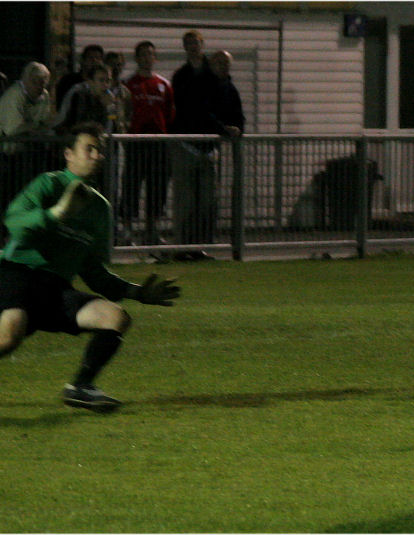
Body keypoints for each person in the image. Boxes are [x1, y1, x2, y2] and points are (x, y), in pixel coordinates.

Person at [0, 121, 180, 412]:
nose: (97, 156)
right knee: (9, 336)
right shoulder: (49, 184)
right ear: (68, 153)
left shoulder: (100, 208)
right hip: (16, 274)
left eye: (101, 151)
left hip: (55, 289)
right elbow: (15, 222)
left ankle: (81, 387)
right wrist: (57, 213)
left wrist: (138, 293)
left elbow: (93, 271)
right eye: (90, 148)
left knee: (115, 317)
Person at [171, 45, 244, 260]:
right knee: (186, 201)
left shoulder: (229, 88)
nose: (223, 67)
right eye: (219, 63)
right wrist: (224, 129)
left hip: (209, 150)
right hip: (187, 146)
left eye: (226, 64)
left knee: (207, 202)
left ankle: (199, 246)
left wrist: (238, 129)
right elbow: (200, 113)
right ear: (210, 64)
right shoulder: (199, 84)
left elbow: (237, 115)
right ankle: (181, 248)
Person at [121, 40, 175, 246]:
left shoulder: (164, 85)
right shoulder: (129, 85)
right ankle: (127, 230)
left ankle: (152, 231)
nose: (147, 58)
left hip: (159, 144)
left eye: (150, 54)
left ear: (155, 57)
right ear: (136, 58)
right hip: (136, 143)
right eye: (142, 54)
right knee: (131, 186)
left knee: (157, 187)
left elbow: (170, 115)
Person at [0, 62, 54, 210]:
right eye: (35, 82)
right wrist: (35, 128)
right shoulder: (14, 96)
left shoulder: (44, 96)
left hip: (29, 155)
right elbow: (12, 129)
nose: (39, 87)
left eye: (42, 83)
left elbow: (45, 122)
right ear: (25, 81)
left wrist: (33, 129)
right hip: (8, 155)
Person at [53, 64, 114, 134]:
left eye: (108, 81)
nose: (106, 85)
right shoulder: (78, 94)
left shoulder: (108, 98)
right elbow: (69, 125)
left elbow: (109, 129)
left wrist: (109, 109)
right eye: (101, 80)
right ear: (90, 81)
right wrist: (88, 125)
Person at [55, 44, 105, 110]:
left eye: (98, 58)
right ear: (83, 60)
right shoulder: (68, 80)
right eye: (90, 58)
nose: (94, 61)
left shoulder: (104, 83)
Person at [104, 51, 132, 134]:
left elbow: (129, 114)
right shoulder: (99, 88)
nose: (115, 68)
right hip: (102, 134)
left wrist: (124, 126)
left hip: (119, 136)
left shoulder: (125, 92)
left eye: (119, 64)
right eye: (112, 64)